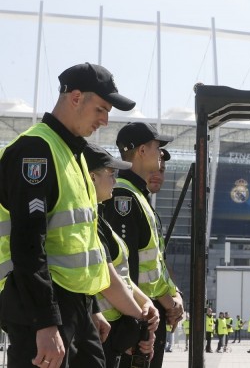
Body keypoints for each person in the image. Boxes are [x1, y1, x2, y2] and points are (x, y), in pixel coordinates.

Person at [0, 63, 134, 367]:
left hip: (74, 305)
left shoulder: (72, 153)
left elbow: (78, 241)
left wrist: (91, 309)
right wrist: (44, 323)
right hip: (42, 306)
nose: (105, 120)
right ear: (76, 97)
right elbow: (27, 243)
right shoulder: (36, 150)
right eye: (101, 109)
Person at [103, 122, 185, 368]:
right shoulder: (124, 198)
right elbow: (126, 271)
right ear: (141, 151)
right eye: (157, 148)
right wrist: (136, 328)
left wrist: (172, 295)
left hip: (146, 316)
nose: (161, 155)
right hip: (135, 321)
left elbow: (154, 262)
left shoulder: (138, 196)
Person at [83, 143, 161, 367]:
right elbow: (106, 279)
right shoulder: (86, 222)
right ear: (92, 178)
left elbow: (120, 275)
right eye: (111, 174)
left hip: (109, 332)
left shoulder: (99, 219)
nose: (115, 181)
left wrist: (145, 303)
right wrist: (140, 321)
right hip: (99, 332)